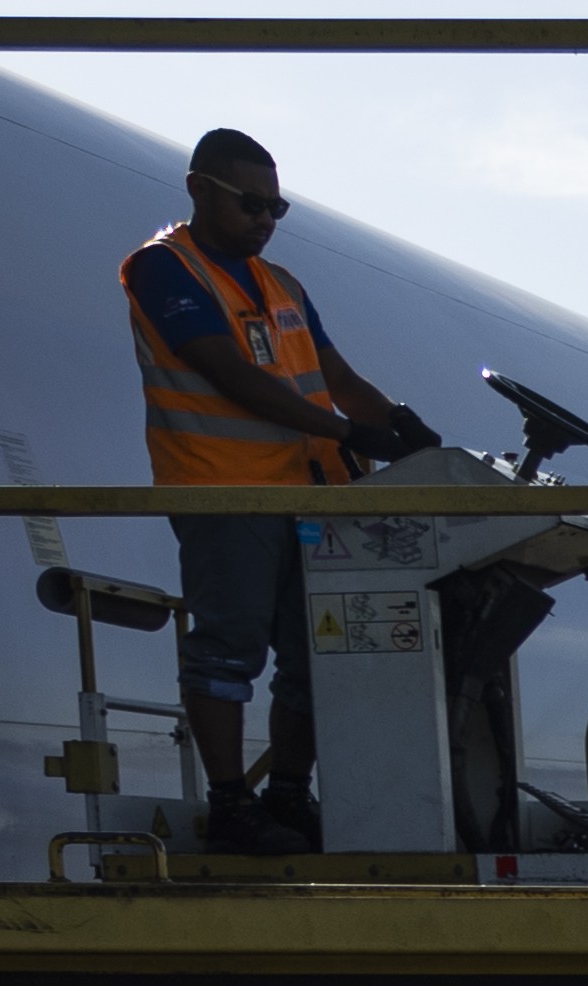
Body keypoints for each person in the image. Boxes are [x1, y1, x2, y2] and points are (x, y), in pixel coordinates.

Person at [123, 128, 429, 850]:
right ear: (200, 191)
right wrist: (352, 434)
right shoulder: (164, 270)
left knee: (317, 652)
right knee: (230, 645)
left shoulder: (283, 285)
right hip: (226, 491)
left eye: (276, 207)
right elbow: (229, 373)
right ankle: (233, 805)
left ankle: (289, 795)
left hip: (311, 494)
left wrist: (404, 426)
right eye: (250, 203)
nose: (265, 219)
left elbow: (340, 379)